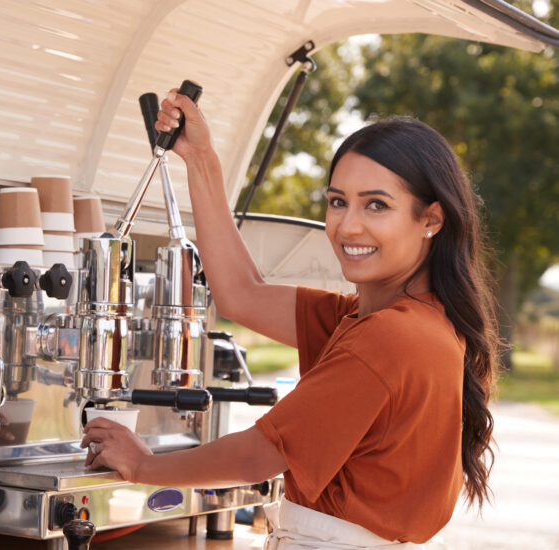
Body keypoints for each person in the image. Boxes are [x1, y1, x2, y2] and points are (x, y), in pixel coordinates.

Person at [80, 90, 500, 549]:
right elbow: (242, 295)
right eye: (338, 201)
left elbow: (260, 455)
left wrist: (143, 466)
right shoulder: (387, 319)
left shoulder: (392, 336)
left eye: (376, 205)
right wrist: (200, 159)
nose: (348, 226)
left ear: (431, 219)